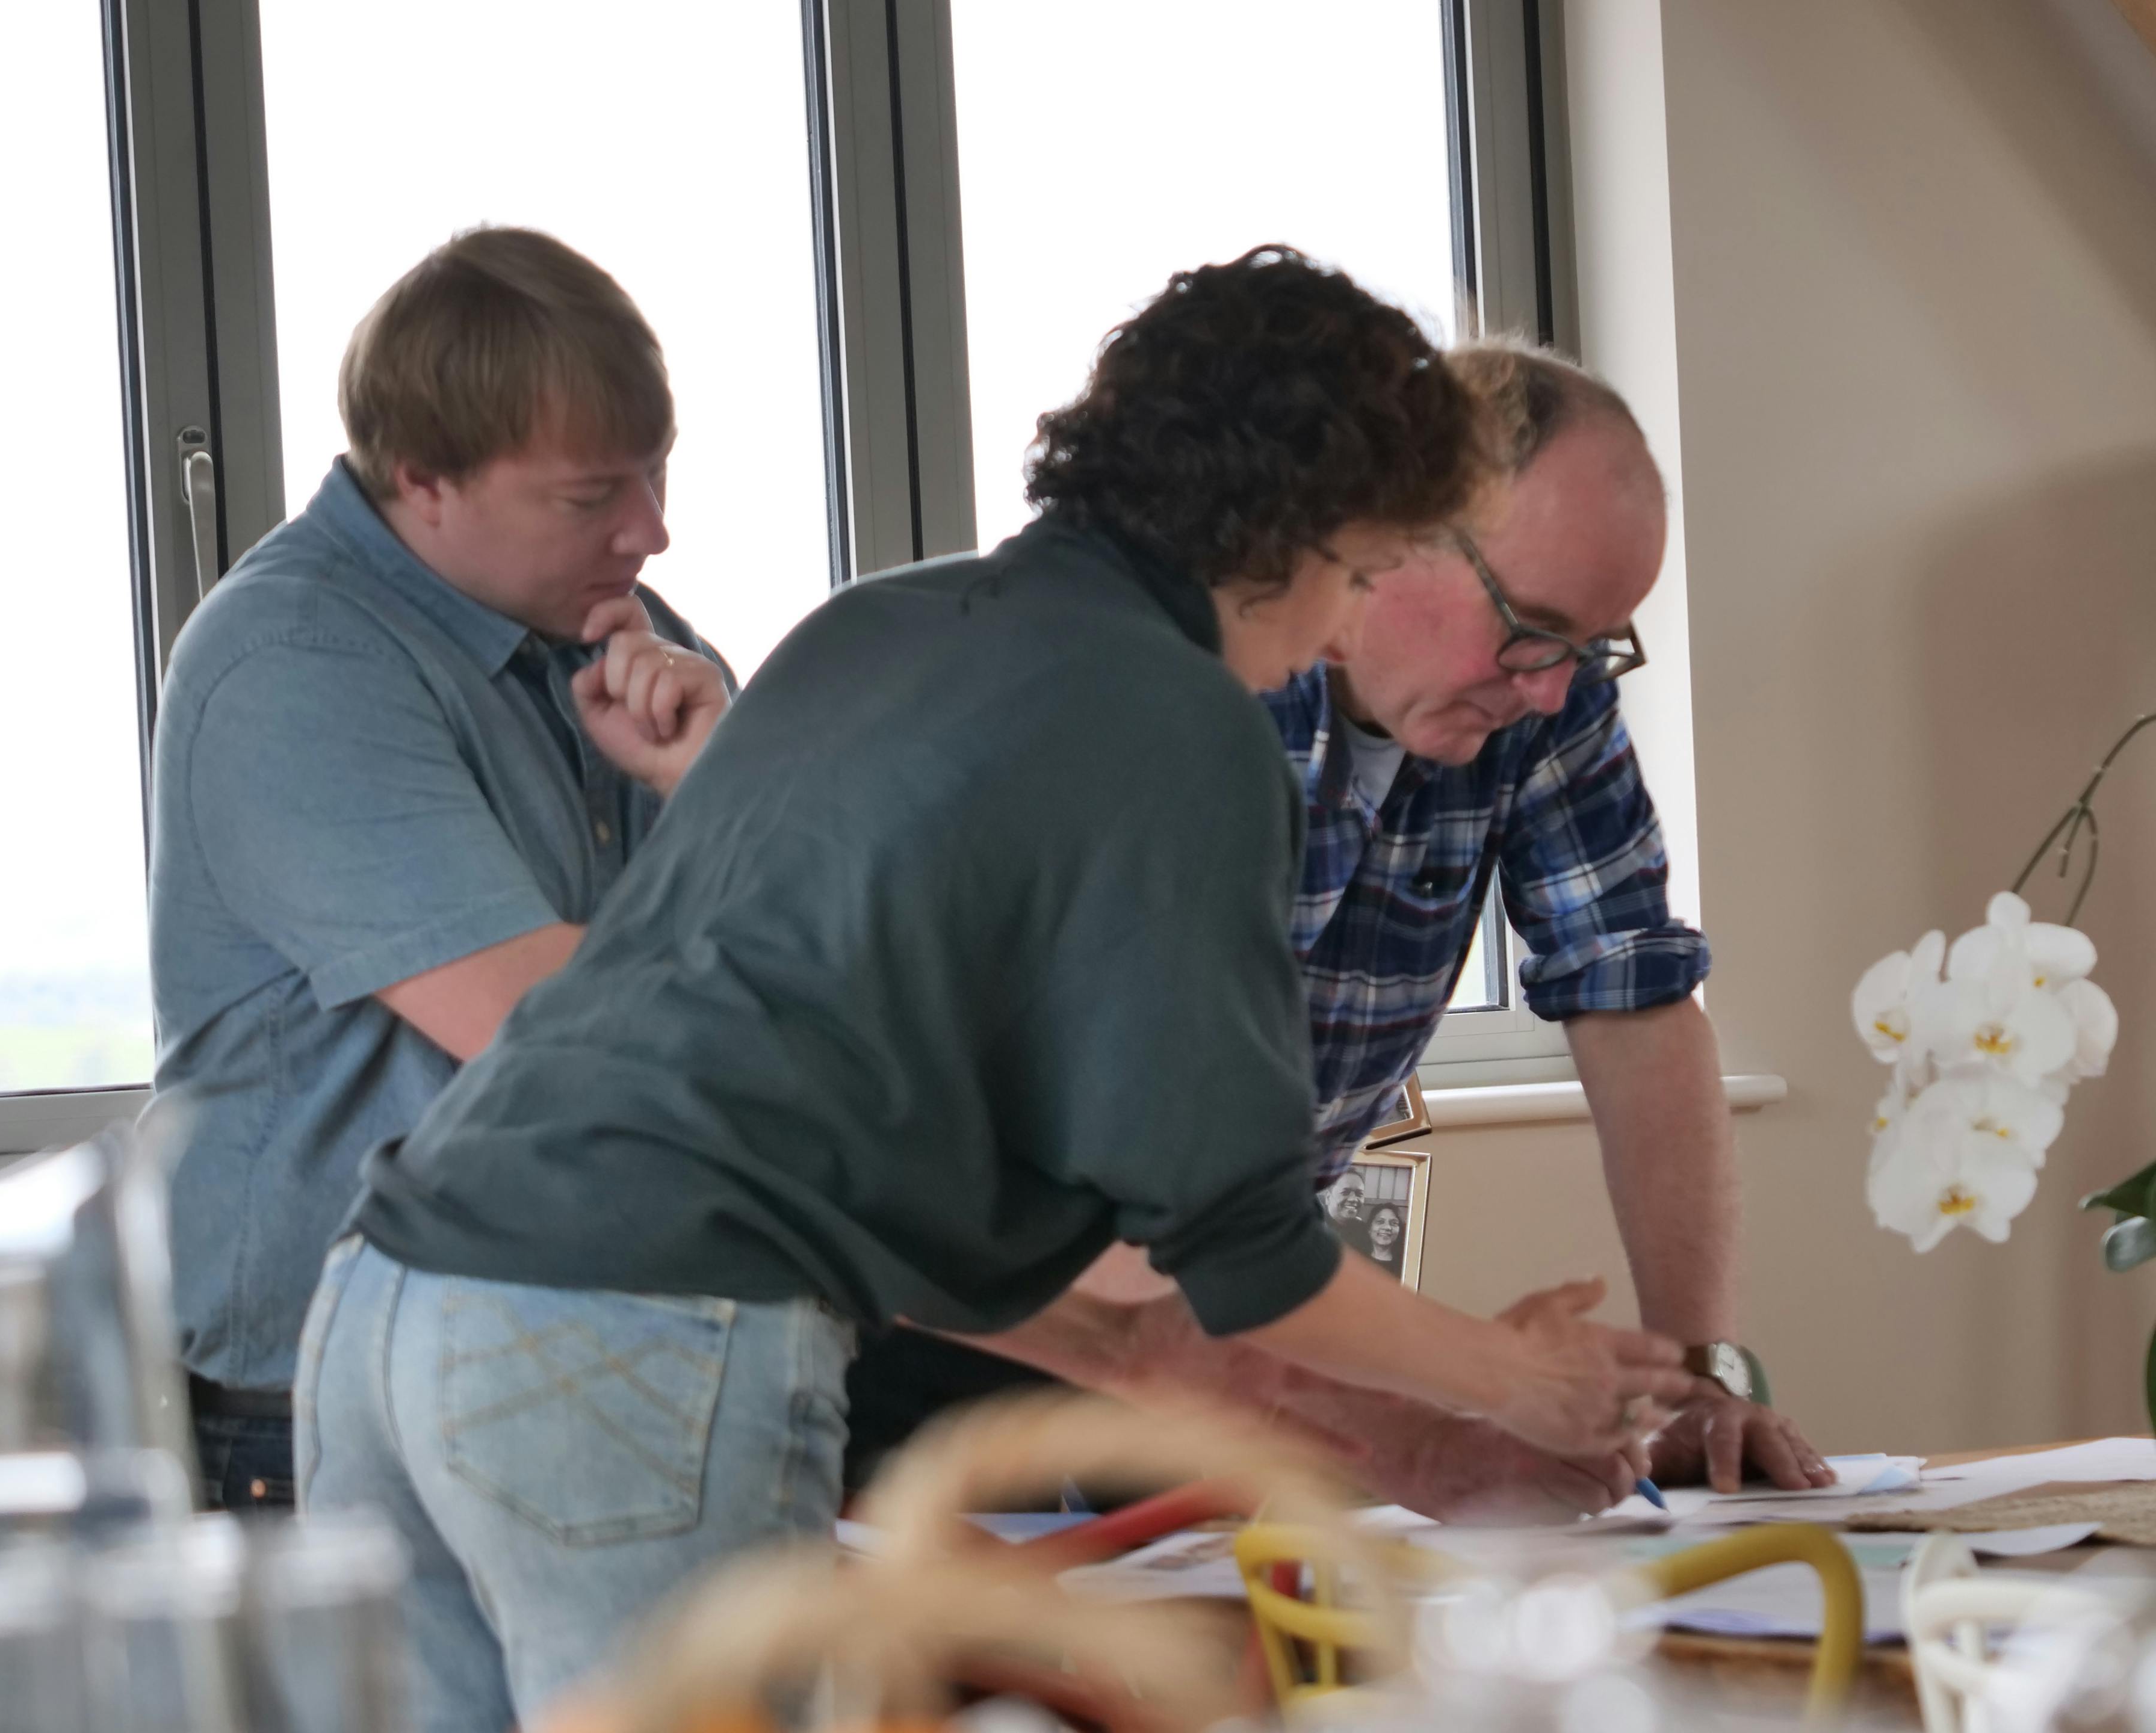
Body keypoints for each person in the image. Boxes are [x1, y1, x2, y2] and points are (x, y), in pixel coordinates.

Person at [296, 247, 1696, 1733]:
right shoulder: (1179, 723)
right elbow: (1241, 1249)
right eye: (1359, 572)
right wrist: (1515, 1378)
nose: (1341, 621)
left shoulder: (882, 625)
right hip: (632, 1331)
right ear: (1306, 534)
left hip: (392, 1305)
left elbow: (856, 1146)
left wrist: (1402, 1431)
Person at [888, 340, 1830, 1522]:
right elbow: (1096, 1190)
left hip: (1203, 1321)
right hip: (937, 1309)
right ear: (1392, 534)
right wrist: (1432, 1431)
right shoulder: (1166, 684)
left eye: (1589, 647)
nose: (1550, 688)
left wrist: (1700, 1374)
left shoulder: (1540, 699)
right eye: (1529, 627)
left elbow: (1633, 997)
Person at [143, 227, 731, 1511]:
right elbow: (552, 1032)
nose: (653, 531)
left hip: (551, 1356)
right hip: (310, 1419)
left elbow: (809, 945)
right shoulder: (293, 662)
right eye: (592, 497)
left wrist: (719, 782)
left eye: (655, 474)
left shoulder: (623, 634)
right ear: (425, 483)